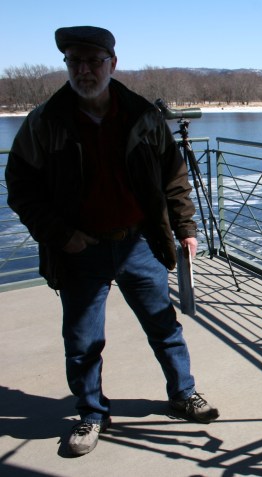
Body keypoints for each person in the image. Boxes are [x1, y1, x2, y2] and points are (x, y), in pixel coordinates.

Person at [5, 26, 219, 456]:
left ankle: (183, 394)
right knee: (83, 340)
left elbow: (174, 178)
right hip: (80, 250)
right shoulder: (46, 121)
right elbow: (20, 187)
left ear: (112, 64)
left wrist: (185, 229)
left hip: (140, 244)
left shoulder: (142, 116)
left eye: (93, 61)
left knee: (164, 327)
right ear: (67, 66)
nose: (84, 70)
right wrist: (62, 236)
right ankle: (91, 413)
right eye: (75, 62)